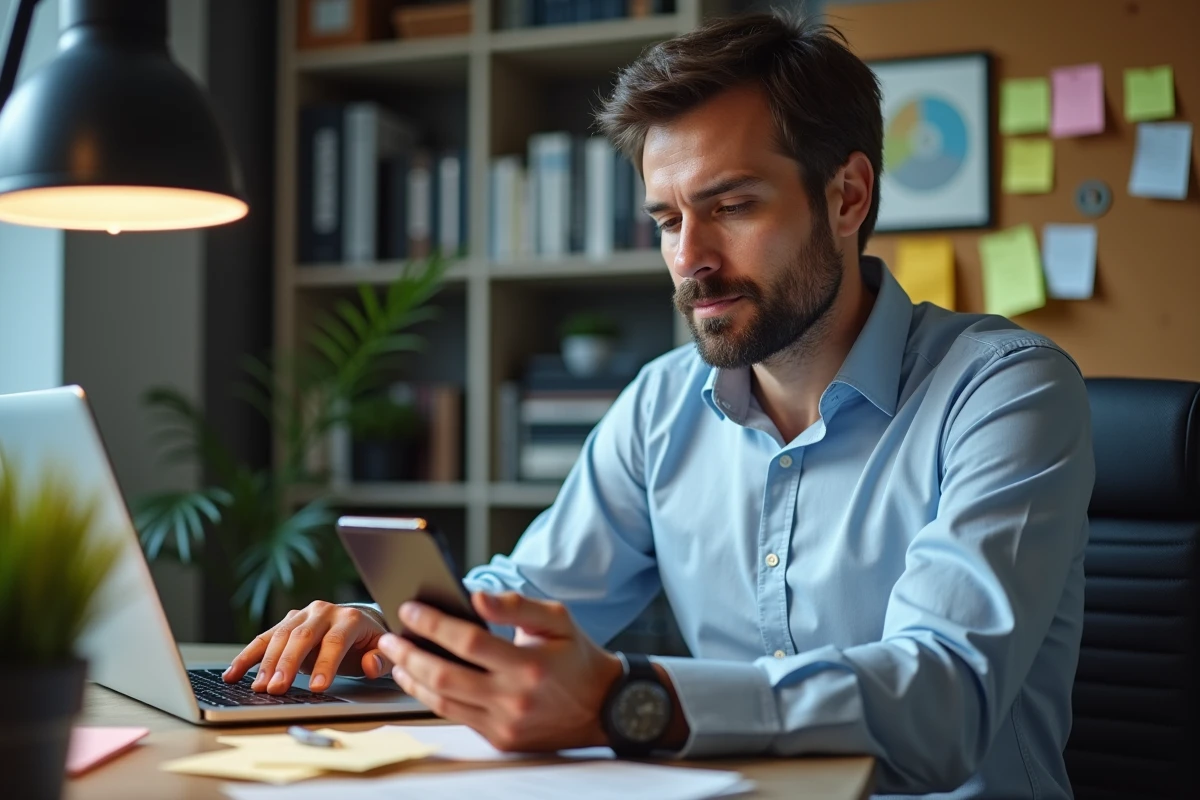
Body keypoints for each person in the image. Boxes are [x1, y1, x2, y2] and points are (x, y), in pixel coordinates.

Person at [223, 11, 1094, 798]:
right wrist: (389, 628)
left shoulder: (1006, 391)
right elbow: (530, 597)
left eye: (732, 206)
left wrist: (633, 699)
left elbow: (941, 701)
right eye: (669, 221)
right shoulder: (659, 405)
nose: (692, 259)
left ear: (847, 196)